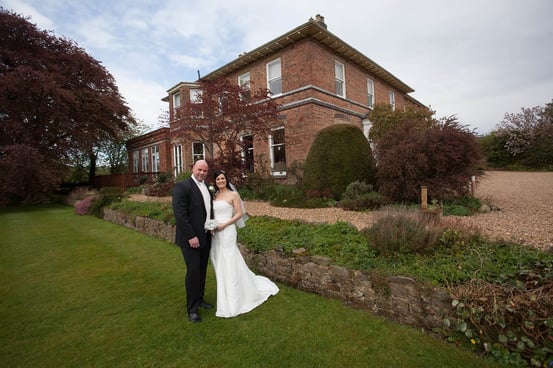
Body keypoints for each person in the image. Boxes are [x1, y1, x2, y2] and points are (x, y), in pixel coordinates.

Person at [210, 169, 279, 318]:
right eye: (218, 180)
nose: (220, 181)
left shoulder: (233, 195)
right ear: (215, 182)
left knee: (229, 259)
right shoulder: (214, 195)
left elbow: (239, 214)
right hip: (215, 232)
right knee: (219, 260)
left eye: (222, 179)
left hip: (227, 230)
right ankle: (225, 291)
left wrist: (225, 225)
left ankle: (236, 297)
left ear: (226, 179)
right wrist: (212, 225)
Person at [172, 159, 214, 323]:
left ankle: (200, 299)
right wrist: (191, 236)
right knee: (193, 271)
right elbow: (180, 215)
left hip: (205, 236)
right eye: (199, 170)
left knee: (202, 270)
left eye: (205, 171)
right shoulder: (182, 187)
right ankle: (192, 309)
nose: (202, 173)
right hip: (191, 239)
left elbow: (207, 211)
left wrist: (212, 226)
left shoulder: (207, 187)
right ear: (193, 169)